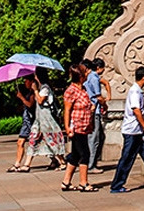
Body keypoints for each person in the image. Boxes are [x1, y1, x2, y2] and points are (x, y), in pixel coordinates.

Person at [19, 68, 66, 171]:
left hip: (47, 118)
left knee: (50, 140)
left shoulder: (45, 88)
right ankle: (27, 164)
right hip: (39, 118)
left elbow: (40, 101)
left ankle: (61, 161)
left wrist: (35, 90)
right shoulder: (40, 88)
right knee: (33, 138)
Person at [60, 64, 95, 192]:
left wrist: (92, 108)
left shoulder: (83, 89)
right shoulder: (71, 91)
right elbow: (67, 110)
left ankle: (66, 182)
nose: (87, 74)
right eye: (85, 73)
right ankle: (83, 182)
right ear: (80, 76)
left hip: (85, 125)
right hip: (77, 127)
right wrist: (67, 126)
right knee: (85, 153)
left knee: (75, 155)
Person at [82, 58, 111, 173]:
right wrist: (105, 103)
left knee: (97, 137)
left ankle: (91, 161)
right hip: (95, 111)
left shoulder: (87, 77)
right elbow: (98, 96)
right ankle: (91, 165)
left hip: (90, 110)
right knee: (94, 138)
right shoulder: (93, 77)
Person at [7, 76, 35, 171]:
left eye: (26, 81)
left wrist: (21, 97)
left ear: (31, 81)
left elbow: (30, 104)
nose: (25, 83)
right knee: (20, 142)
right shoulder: (29, 93)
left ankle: (58, 160)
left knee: (24, 142)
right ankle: (17, 163)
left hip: (31, 122)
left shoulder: (33, 94)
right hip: (26, 121)